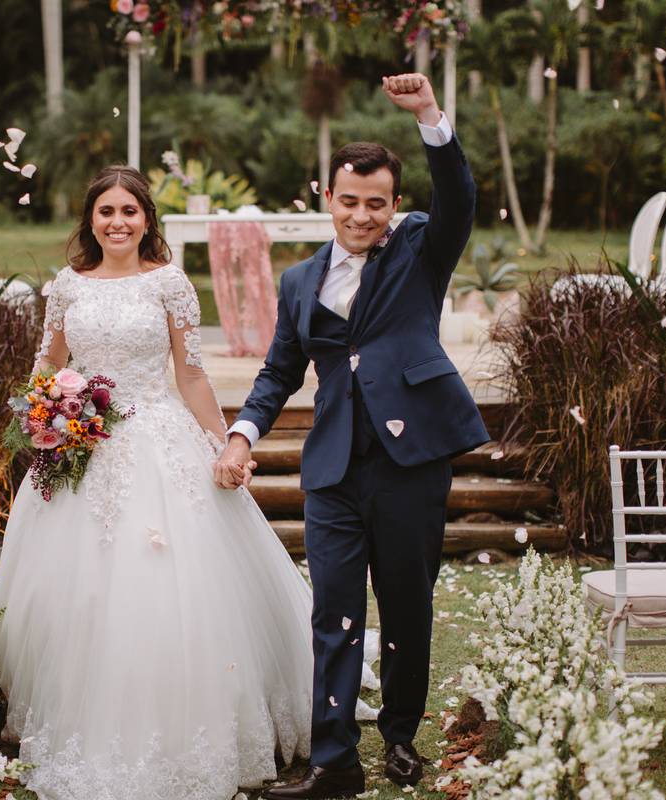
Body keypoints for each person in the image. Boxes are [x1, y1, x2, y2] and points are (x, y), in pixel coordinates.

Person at [0, 166, 314, 800]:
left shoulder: (169, 284)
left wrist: (225, 442)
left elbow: (191, 375)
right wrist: (48, 420)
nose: (117, 222)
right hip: (84, 450)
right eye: (105, 211)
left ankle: (188, 730)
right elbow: (47, 370)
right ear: (90, 219)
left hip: (159, 441)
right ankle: (74, 719)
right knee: (79, 592)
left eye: (129, 212)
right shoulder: (66, 288)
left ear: (147, 220)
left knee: (170, 585)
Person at [216, 74, 488, 800]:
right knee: (332, 612)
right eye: (349, 201)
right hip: (333, 466)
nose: (361, 215)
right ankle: (335, 762)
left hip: (410, 459)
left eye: (376, 203)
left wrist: (430, 116)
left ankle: (399, 736)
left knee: (405, 605)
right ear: (327, 200)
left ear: (393, 206)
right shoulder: (300, 279)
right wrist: (243, 434)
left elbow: (458, 196)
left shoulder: (421, 250)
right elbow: (279, 371)